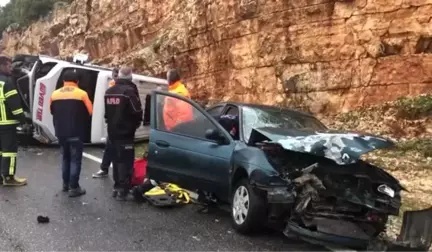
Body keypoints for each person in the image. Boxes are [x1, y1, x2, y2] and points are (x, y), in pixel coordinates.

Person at [50, 69, 93, 197]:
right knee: (75, 159)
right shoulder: (82, 94)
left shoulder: (54, 94)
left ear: (63, 81)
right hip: (76, 132)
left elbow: (51, 110)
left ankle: (65, 184)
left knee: (65, 158)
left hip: (61, 132)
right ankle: (74, 187)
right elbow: (90, 111)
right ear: (77, 81)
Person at [105, 66, 142, 201]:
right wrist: (136, 124)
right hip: (126, 133)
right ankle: (123, 189)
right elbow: (137, 111)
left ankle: (117, 187)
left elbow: (107, 114)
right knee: (126, 161)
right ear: (130, 77)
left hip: (112, 132)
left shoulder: (109, 92)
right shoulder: (129, 92)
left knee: (116, 160)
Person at [0, 55, 28, 186]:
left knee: (1, 151)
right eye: (7, 66)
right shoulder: (6, 82)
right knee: (9, 150)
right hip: (7, 124)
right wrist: (23, 120)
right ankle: (9, 177)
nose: (10, 69)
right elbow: (15, 105)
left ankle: (1, 177)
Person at [92, 67, 119, 178]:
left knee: (117, 148)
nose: (114, 77)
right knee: (110, 146)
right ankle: (105, 169)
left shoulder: (126, 87)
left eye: (116, 75)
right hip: (113, 122)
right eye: (114, 75)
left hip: (121, 123)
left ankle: (120, 176)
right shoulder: (112, 85)